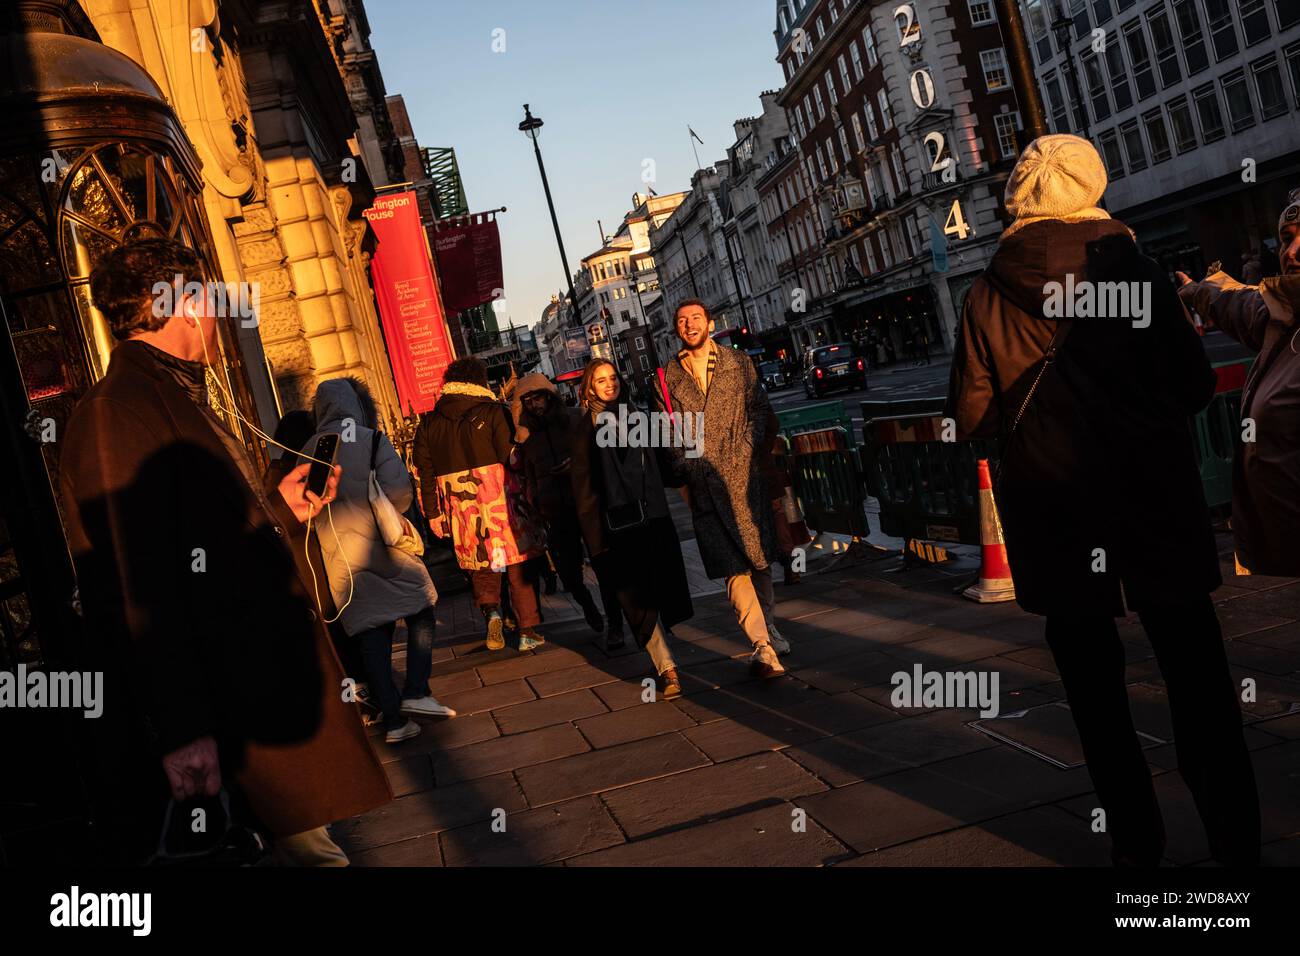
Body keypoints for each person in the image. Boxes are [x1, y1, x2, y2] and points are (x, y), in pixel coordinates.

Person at [947, 134, 1259, 866]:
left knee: (1095, 695)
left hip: (1055, 516)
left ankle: (1136, 847)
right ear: (1092, 186)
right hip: (1153, 502)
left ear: (1019, 199)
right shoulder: (1141, 277)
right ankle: (1235, 842)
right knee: (1198, 680)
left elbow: (971, 417)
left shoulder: (987, 294)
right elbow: (1189, 387)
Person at [61, 237, 390, 865]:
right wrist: (183, 730)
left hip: (256, 689)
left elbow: (202, 535)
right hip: (229, 705)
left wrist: (281, 512)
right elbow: (135, 584)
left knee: (315, 850)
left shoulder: (171, 393)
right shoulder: (115, 412)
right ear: (185, 304)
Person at [307, 378, 453, 745]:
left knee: (372, 635)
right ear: (355, 404)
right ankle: (417, 689)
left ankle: (393, 721)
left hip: (341, 556)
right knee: (422, 606)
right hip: (385, 548)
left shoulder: (309, 449)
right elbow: (401, 492)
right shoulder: (369, 438)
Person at [655, 299, 790, 679]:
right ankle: (761, 645)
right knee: (734, 570)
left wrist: (746, 449)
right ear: (676, 330)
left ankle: (769, 625)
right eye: (682, 320)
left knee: (759, 561)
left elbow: (760, 411)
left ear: (709, 323)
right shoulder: (665, 378)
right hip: (706, 485)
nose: (689, 324)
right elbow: (666, 433)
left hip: (746, 480)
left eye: (696, 318)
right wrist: (690, 469)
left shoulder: (738, 363)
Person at [1176, 187, 1300, 576]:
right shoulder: (1286, 315)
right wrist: (1199, 289)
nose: (1292, 251)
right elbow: (1248, 308)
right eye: (1286, 238)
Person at [570, 359, 692, 697]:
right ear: (589, 387)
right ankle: (667, 668)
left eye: (613, 378)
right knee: (637, 602)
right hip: (617, 527)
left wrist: (689, 473)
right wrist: (594, 543)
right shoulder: (585, 431)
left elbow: (665, 464)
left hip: (653, 517)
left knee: (658, 591)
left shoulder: (638, 416)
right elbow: (585, 492)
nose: (609, 384)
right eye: (600, 380)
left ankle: (666, 656)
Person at [413, 357, 547, 651]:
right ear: (479, 381)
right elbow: (510, 457)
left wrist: (433, 514)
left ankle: (492, 611)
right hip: (501, 497)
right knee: (516, 563)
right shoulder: (493, 411)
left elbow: (424, 472)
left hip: (461, 504)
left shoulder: (429, 424)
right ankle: (527, 631)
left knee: (480, 562)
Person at [511, 371, 628, 647]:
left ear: (549, 396)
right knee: (568, 574)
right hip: (554, 512)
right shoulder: (527, 438)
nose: (533, 405)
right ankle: (587, 604)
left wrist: (576, 466)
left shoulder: (577, 419)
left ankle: (615, 625)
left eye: (537, 397)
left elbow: (603, 458)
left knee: (603, 567)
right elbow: (528, 476)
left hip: (587, 505)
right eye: (526, 401)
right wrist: (535, 504)